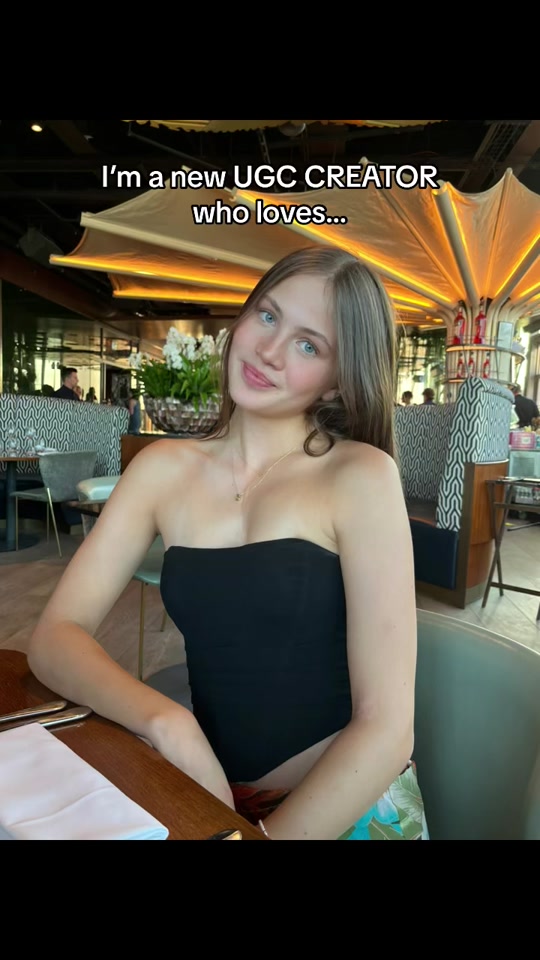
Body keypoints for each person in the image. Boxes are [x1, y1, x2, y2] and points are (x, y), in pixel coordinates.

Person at [28, 247, 425, 841]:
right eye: (268, 316)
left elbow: (387, 727)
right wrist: (168, 723)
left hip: (351, 809)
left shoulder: (361, 476)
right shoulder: (162, 469)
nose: (270, 351)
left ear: (338, 383)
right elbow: (55, 635)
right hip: (207, 796)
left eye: (309, 345)